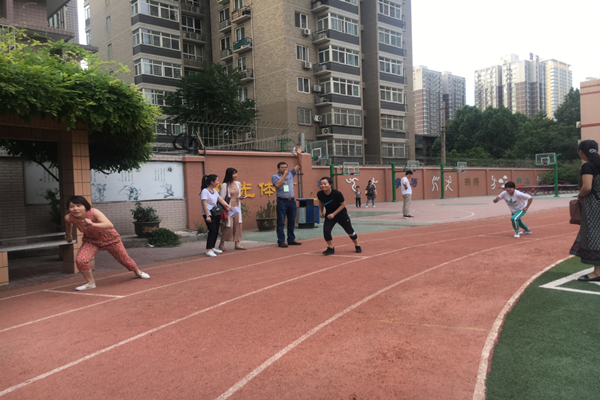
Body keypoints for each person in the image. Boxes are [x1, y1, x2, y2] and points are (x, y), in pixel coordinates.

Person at [64, 196, 150, 291]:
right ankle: (90, 283)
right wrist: (69, 235)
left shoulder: (93, 212)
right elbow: (68, 224)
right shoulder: (69, 218)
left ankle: (137, 272)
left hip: (110, 239)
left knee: (124, 259)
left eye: (78, 205)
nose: (75, 209)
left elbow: (109, 225)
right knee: (81, 260)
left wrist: (92, 224)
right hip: (91, 240)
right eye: (72, 206)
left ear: (85, 206)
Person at [570, 140, 600, 282]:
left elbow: (587, 187)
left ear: (581, 152)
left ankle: (597, 272)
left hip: (594, 205)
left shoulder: (588, 166)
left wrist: (580, 196)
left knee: (594, 235)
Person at [317, 177, 361, 255]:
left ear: (330, 184)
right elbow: (320, 202)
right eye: (321, 184)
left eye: (325, 184)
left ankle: (357, 245)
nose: (323, 185)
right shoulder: (320, 194)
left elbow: (343, 204)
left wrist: (334, 214)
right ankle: (330, 248)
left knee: (349, 230)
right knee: (326, 231)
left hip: (341, 215)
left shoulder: (337, 193)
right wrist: (321, 212)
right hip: (329, 215)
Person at [272, 146, 303, 248]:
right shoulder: (275, 176)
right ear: (278, 168)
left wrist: (299, 154)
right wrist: (284, 176)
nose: (285, 169)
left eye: (286, 167)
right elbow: (277, 185)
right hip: (282, 201)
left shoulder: (291, 173)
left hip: (291, 201)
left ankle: (291, 239)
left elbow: (299, 165)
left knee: (292, 221)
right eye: (282, 167)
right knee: (281, 221)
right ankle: (281, 240)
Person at [201, 174, 231, 257]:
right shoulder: (205, 191)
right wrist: (207, 215)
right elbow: (204, 204)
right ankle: (208, 249)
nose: (218, 182)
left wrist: (228, 207)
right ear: (212, 182)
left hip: (216, 213)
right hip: (209, 214)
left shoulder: (215, 191)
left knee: (216, 230)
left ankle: (212, 247)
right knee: (212, 230)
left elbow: (221, 200)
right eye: (217, 180)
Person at [219, 167, 246, 251]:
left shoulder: (238, 183)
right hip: (229, 207)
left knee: (238, 224)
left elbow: (238, 194)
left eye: (236, 173)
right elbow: (222, 198)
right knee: (228, 226)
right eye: (233, 174)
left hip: (236, 206)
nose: (235, 175)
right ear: (229, 175)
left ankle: (237, 243)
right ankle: (222, 243)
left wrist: (240, 197)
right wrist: (227, 207)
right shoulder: (225, 185)